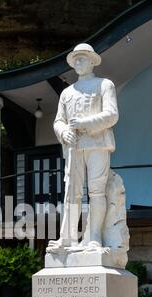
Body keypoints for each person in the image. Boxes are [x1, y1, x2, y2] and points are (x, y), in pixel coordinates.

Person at [47, 43, 119, 253]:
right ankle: (67, 238)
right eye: (75, 59)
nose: (78, 62)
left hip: (98, 144)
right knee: (71, 192)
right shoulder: (67, 93)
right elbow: (59, 121)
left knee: (97, 191)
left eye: (83, 58)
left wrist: (85, 124)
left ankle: (94, 237)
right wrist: (63, 132)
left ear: (92, 61)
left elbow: (112, 114)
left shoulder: (105, 84)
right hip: (73, 146)